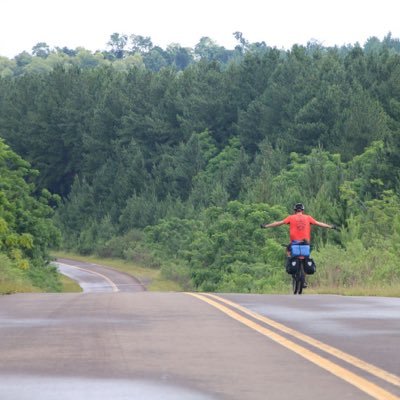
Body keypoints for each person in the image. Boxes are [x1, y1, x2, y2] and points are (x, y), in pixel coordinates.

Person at [260, 203, 336, 286]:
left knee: (288, 250)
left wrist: (266, 226)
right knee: (306, 258)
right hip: (305, 243)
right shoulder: (308, 218)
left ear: (295, 210)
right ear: (302, 210)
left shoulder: (291, 217)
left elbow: (279, 223)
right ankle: (304, 280)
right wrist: (330, 226)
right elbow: (319, 223)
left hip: (294, 243)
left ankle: (290, 261)